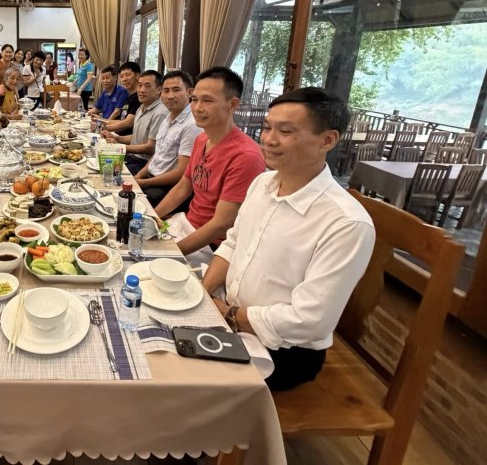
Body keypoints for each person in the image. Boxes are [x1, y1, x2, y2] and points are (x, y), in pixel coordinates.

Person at [202, 87, 375, 391]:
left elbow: (311, 320)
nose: (269, 139)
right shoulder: (262, 183)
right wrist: (202, 297)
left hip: (283, 349)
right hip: (228, 315)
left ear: (328, 140)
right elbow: (233, 244)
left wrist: (228, 314)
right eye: (267, 127)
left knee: (179, 378)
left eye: (285, 131)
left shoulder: (346, 223)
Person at [153, 67, 266, 266]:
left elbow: (221, 224)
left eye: (207, 100)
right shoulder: (202, 139)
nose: (197, 108)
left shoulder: (245, 156)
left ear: (232, 105)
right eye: (194, 99)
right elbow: (183, 187)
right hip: (185, 224)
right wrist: (151, 218)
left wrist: (171, 252)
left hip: (212, 246)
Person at [135, 70, 202, 209]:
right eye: (166, 91)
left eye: (176, 90)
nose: (170, 96)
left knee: (126, 205)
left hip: (167, 188)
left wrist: (144, 183)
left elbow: (181, 172)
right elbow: (158, 154)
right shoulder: (167, 118)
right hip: (151, 179)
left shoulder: (192, 125)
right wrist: (139, 176)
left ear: (190, 92)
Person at [101, 70, 166, 174]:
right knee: (99, 157)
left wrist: (121, 147)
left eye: (148, 86)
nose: (142, 90)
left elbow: (150, 147)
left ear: (159, 90)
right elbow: (136, 137)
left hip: (144, 163)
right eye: (139, 85)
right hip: (132, 157)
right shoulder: (140, 109)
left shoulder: (160, 113)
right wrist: (116, 138)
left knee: (107, 171)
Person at [100, 61, 141, 135]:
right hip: (116, 134)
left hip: (124, 138)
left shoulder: (139, 97)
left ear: (137, 75)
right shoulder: (129, 97)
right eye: (122, 76)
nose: (124, 79)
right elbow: (122, 120)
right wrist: (101, 121)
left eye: (127, 75)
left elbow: (128, 123)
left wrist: (103, 126)